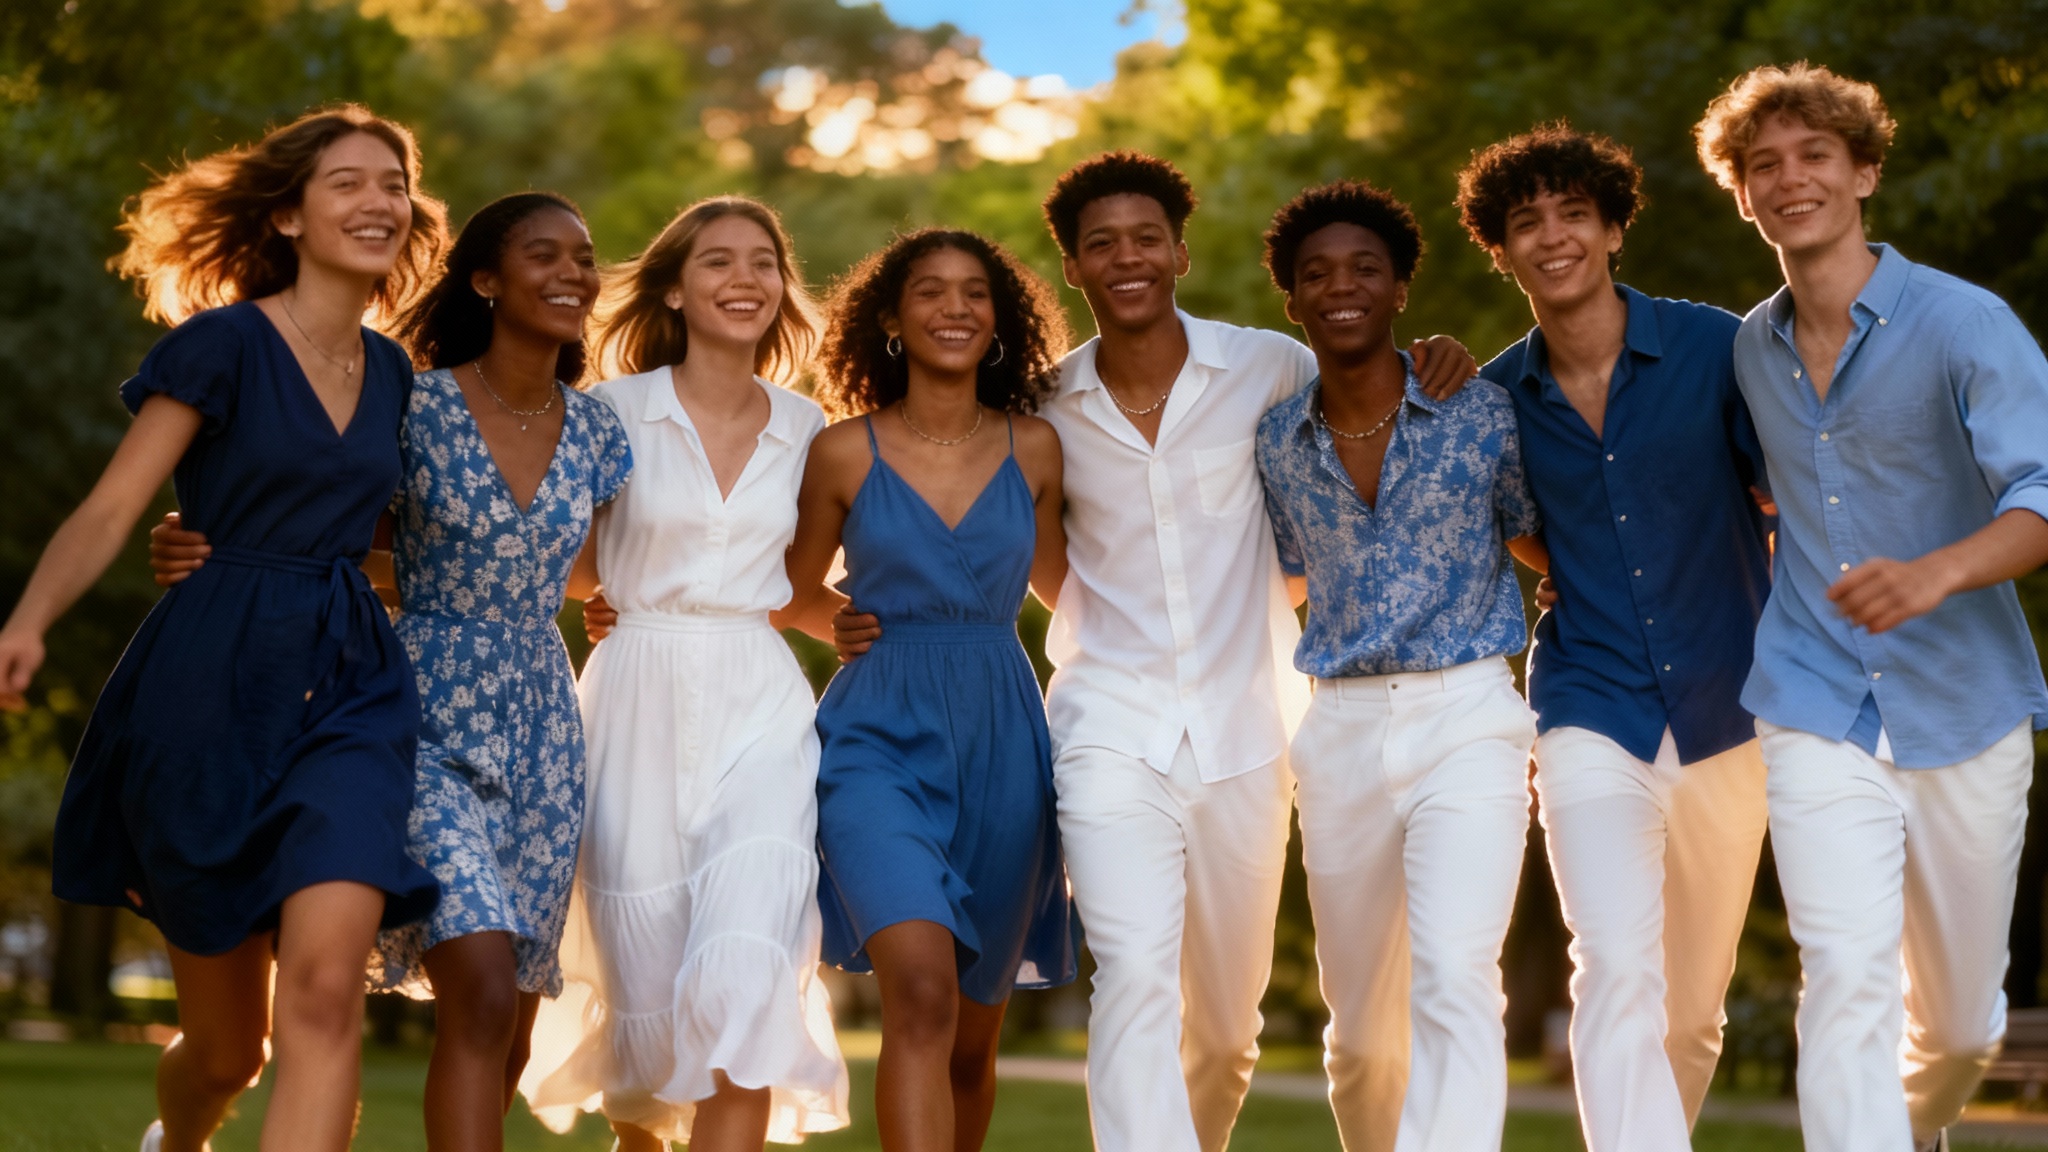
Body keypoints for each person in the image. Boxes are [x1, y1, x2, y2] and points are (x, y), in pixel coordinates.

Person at [830, 153, 1476, 1152]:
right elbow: (1041, 572)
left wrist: (1439, 351)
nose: (1125, 258)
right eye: (1100, 245)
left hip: (1250, 732)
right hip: (1105, 729)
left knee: (1222, 1032)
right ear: (1073, 270)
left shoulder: (1271, 368)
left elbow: (1360, 413)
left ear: (1177, 251)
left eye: (1143, 239)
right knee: (1129, 979)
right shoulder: (1042, 411)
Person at [0, 106, 445, 1152]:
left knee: (328, 991)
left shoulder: (392, 376)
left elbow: (384, 547)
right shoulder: (223, 345)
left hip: (350, 686)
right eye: (347, 182)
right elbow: (115, 505)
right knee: (226, 1052)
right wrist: (26, 620)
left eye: (393, 182)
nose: (377, 200)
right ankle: (180, 1139)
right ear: (288, 214)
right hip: (211, 684)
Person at [155, 190, 630, 1152]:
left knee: (506, 1023)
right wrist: (202, 544)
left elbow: (582, 569)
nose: (573, 274)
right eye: (545, 255)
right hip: (415, 708)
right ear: (487, 280)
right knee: (483, 981)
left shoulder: (600, 432)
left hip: (545, 723)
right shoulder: (415, 403)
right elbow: (335, 538)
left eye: (584, 257)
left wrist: (610, 600)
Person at [1695, 63, 2048, 1152]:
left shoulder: (1962, 323)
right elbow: (1748, 490)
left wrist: (1933, 572)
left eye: (1813, 156)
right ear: (1740, 195)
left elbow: (2039, 491)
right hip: (1811, 697)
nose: (1789, 179)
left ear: (1863, 172)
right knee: (1842, 975)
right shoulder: (1748, 348)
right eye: (1764, 166)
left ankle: (1912, 1127)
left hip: (1963, 706)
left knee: (1952, 1032)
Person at [1456, 125, 1774, 1152]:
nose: (1551, 237)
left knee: (1689, 1007)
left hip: (1732, 702)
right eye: (1523, 223)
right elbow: (1519, 536)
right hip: (1586, 701)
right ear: (1499, 252)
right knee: (1613, 963)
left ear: (1610, 229)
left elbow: (1780, 494)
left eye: (1570, 214)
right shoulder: (1492, 401)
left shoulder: (1713, 349)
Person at [519, 197, 850, 1152]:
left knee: (747, 977)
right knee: (650, 989)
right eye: (717, 262)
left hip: (760, 703)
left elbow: (798, 593)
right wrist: (609, 593)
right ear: (674, 286)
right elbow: (571, 563)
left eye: (763, 262)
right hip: (633, 703)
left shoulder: (808, 424)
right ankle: (642, 1133)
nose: (743, 280)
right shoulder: (610, 413)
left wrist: (887, 633)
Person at [1255, 180, 1546, 1152]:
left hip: (1466, 716)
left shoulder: (1479, 412)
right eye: (1316, 275)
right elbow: (1266, 575)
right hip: (1332, 731)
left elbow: (1540, 538)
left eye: (1364, 269)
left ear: (1398, 290)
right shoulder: (1272, 443)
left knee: (1458, 976)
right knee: (1359, 1037)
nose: (1341, 287)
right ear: (1290, 302)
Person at [785, 228, 1075, 1152]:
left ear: (999, 324)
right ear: (893, 321)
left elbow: (1071, 591)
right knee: (918, 989)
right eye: (930, 292)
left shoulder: (1037, 449)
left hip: (1001, 735)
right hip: (875, 732)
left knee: (969, 1043)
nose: (954, 307)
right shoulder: (841, 452)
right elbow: (784, 585)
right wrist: (828, 617)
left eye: (974, 293)